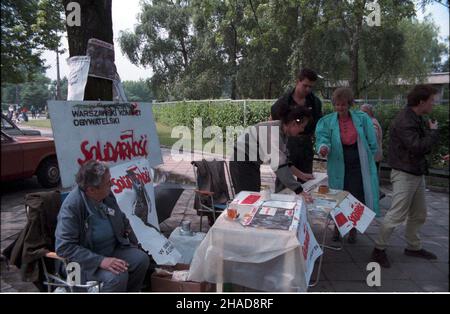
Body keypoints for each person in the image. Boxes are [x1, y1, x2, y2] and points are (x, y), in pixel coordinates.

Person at [371, 84, 440, 268]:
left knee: (419, 213)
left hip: (415, 172)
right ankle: (378, 249)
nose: (434, 103)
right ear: (421, 102)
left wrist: (430, 132)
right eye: (431, 100)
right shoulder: (405, 120)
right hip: (405, 173)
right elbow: (418, 147)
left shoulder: (416, 117)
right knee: (396, 214)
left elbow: (419, 146)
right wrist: (433, 132)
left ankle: (413, 247)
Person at [55, 160, 150, 292]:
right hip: (81, 264)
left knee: (141, 259)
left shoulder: (106, 195)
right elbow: (64, 247)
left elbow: (122, 218)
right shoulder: (72, 207)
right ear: (91, 190)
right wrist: (100, 261)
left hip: (111, 250)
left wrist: (135, 244)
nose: (112, 184)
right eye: (107, 183)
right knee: (117, 276)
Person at [315, 88, 379, 244]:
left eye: (343, 104)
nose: (340, 108)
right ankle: (337, 228)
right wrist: (323, 147)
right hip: (338, 163)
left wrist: (368, 158)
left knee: (355, 198)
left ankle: (352, 230)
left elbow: (372, 142)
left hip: (358, 165)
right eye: (337, 104)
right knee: (338, 197)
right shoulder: (328, 121)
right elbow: (323, 138)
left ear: (350, 104)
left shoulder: (362, 119)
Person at [229, 106, 314, 202]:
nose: (302, 130)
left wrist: (301, 175)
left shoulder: (281, 130)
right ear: (294, 123)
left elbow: (285, 162)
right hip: (241, 162)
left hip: (249, 162)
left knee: (253, 195)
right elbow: (279, 166)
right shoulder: (274, 132)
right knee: (248, 198)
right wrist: (300, 191)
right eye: (302, 127)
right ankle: (243, 215)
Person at [271, 68, 323, 181]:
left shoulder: (315, 103)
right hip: (287, 143)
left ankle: (304, 198)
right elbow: (273, 123)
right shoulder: (283, 102)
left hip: (306, 144)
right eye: (305, 85)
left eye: (311, 87)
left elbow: (319, 125)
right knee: (283, 180)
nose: (308, 89)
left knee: (306, 180)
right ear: (297, 81)